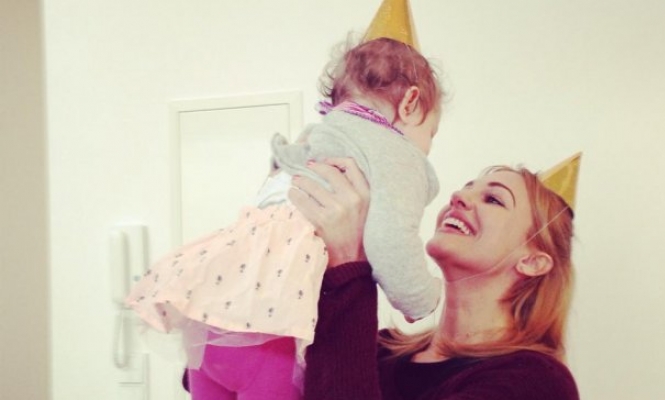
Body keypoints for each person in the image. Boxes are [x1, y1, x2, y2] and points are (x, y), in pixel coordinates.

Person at [126, 4, 444, 398]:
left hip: (211, 326)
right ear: (411, 103)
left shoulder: (311, 139)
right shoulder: (399, 155)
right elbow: (391, 239)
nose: (427, 147)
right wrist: (421, 298)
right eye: (432, 133)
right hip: (274, 333)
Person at [288, 154, 581, 400]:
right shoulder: (379, 349)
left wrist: (349, 266)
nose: (458, 197)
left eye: (493, 199)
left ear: (532, 262)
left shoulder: (538, 382)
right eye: (466, 189)